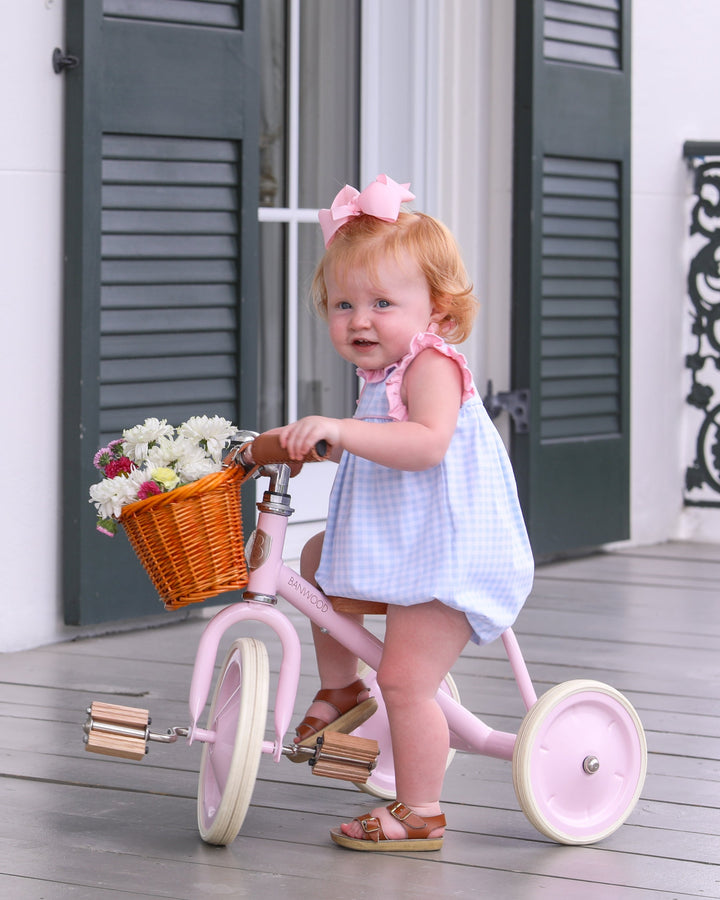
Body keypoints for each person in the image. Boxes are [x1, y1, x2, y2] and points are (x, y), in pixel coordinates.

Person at [276, 174, 534, 851]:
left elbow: (425, 446)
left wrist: (343, 430)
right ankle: (339, 691)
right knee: (312, 561)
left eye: (382, 302)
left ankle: (421, 811)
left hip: (451, 552)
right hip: (406, 541)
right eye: (342, 304)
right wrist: (326, 446)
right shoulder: (379, 377)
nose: (359, 319)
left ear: (439, 314)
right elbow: (383, 454)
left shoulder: (431, 366)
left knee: (408, 680)